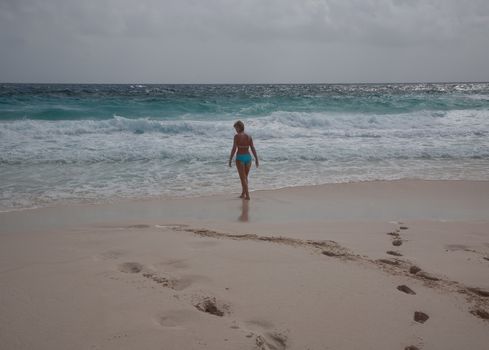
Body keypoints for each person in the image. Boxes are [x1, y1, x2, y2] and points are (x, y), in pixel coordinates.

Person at [228, 120, 259, 200]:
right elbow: (252, 148)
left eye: (236, 128)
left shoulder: (237, 136)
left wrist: (230, 159)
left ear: (239, 127)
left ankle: (247, 195)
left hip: (240, 158)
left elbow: (234, 148)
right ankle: (243, 193)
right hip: (248, 158)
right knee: (245, 177)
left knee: (243, 178)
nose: (235, 129)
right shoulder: (249, 136)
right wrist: (256, 158)